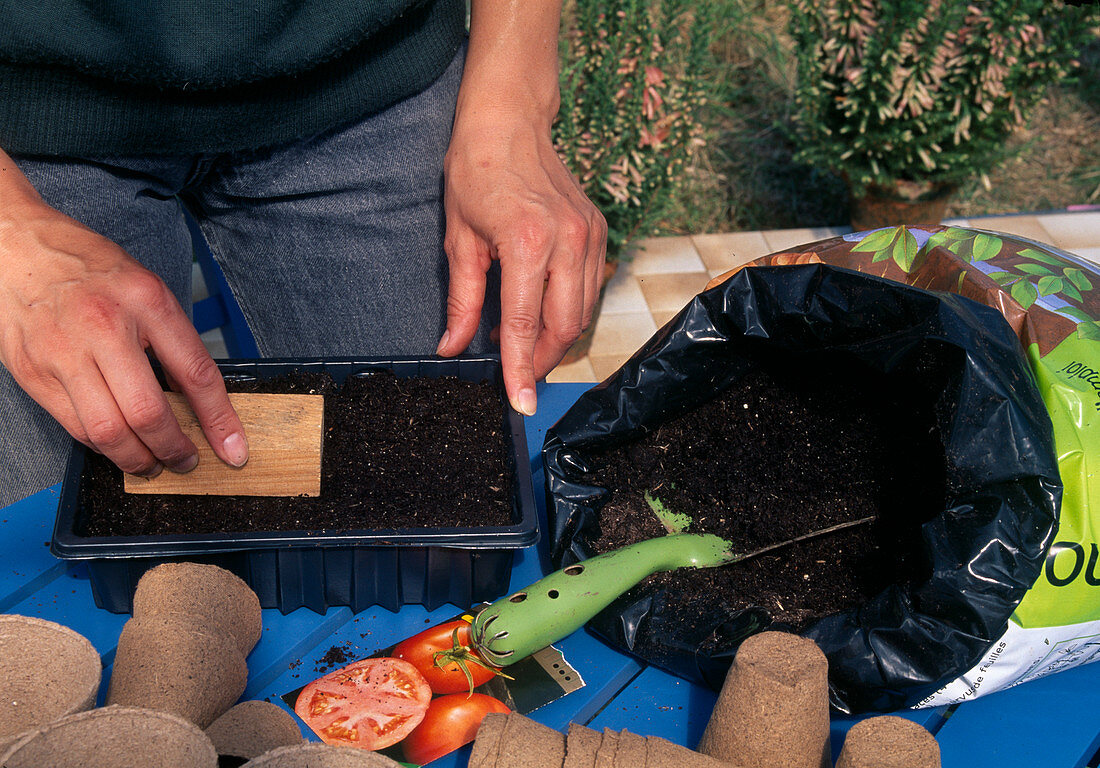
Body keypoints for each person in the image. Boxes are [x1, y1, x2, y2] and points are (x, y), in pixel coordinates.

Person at [0, 0, 607, 507]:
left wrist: (512, 112)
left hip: (366, 66)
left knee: (454, 479)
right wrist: (11, 233)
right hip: (26, 113)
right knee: (58, 544)